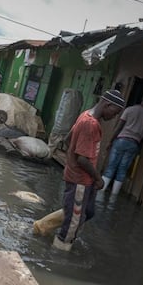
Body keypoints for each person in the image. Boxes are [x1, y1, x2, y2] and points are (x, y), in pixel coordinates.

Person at [53, 89, 125, 251]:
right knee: (73, 223)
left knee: (88, 212)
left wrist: (71, 157)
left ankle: (64, 219)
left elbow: (67, 139)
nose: (115, 117)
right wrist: (98, 178)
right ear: (108, 104)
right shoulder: (90, 124)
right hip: (80, 179)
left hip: (85, 179)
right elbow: (82, 159)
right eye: (116, 112)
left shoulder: (85, 115)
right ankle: (59, 252)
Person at [101, 93, 143, 196]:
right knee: (122, 170)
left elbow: (119, 127)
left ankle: (100, 192)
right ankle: (114, 196)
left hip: (121, 140)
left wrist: (110, 141)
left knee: (111, 167)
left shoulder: (130, 109)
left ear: (141, 99)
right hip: (134, 143)